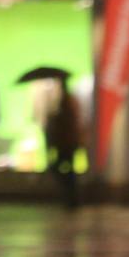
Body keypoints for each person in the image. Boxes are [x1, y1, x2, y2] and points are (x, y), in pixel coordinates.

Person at [44, 77, 83, 209]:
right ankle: (71, 197)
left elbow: (67, 123)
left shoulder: (66, 102)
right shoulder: (68, 101)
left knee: (61, 169)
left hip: (66, 142)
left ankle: (71, 197)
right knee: (67, 170)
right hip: (67, 141)